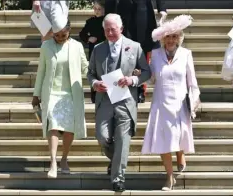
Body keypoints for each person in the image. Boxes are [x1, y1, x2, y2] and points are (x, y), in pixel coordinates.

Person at [87, 13, 151, 192]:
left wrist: (132, 80)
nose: (109, 33)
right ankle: (116, 161)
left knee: (123, 140)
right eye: (106, 30)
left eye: (112, 29)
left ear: (121, 29)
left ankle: (118, 178)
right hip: (105, 100)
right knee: (102, 136)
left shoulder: (135, 47)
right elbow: (90, 73)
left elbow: (146, 71)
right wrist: (94, 83)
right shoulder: (98, 49)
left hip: (126, 100)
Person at [141, 15, 200, 191]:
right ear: (162, 38)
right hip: (161, 104)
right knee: (163, 141)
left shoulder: (186, 54)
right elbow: (151, 79)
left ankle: (181, 153)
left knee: (178, 137)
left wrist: (194, 99)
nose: (171, 40)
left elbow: (193, 83)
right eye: (168, 36)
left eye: (174, 36)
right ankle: (169, 177)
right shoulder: (156, 55)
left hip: (180, 105)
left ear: (179, 38)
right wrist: (140, 73)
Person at [31, 13, 88, 179]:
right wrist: (36, 94)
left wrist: (97, 76)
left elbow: (85, 67)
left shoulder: (77, 46)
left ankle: (64, 159)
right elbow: (41, 71)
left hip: (71, 94)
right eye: (57, 35)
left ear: (69, 30)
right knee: (53, 125)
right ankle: (53, 162)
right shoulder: (46, 46)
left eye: (64, 35)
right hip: (52, 93)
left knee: (69, 130)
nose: (61, 38)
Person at [105, 0, 167, 103]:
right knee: (121, 47)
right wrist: (108, 12)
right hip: (122, 9)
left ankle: (140, 89)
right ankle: (119, 88)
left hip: (142, 10)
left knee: (141, 51)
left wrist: (162, 8)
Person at [79, 0, 106, 103]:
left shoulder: (106, 21)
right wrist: (88, 38)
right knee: (94, 72)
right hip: (93, 51)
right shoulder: (90, 21)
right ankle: (94, 95)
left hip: (105, 50)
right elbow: (82, 34)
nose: (97, 11)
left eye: (99, 9)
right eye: (95, 9)